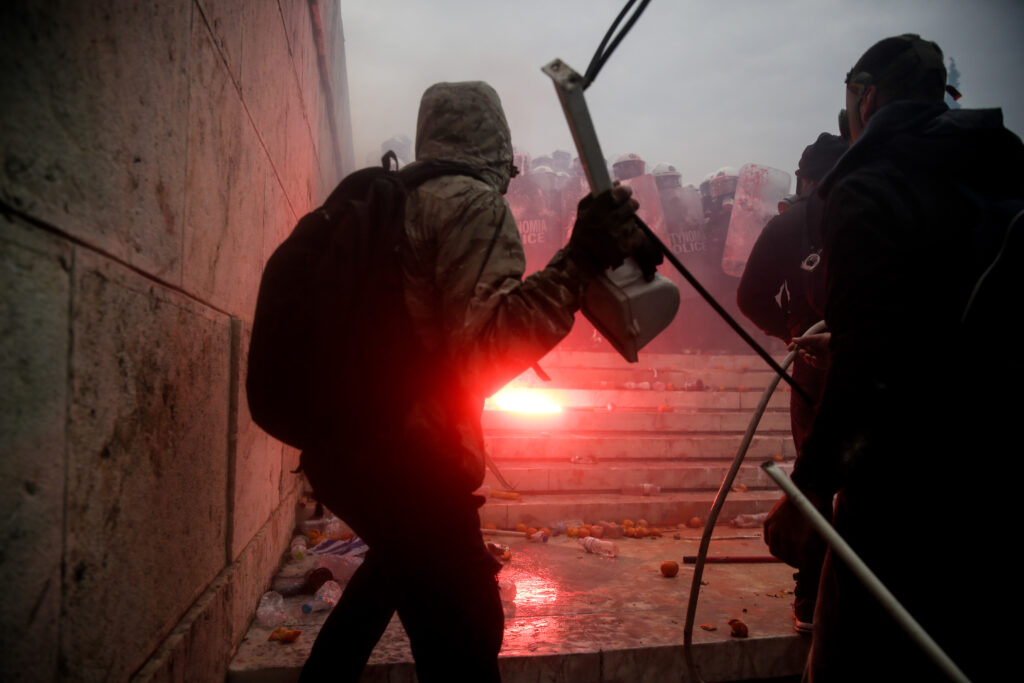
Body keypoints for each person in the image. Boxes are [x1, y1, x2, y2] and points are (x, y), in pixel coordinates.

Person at [297, 81, 656, 682]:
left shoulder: (397, 201)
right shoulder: (471, 202)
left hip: (344, 453)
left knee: (395, 571)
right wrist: (578, 263)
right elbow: (484, 352)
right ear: (499, 144)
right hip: (412, 462)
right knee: (466, 633)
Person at [779, 35, 1023, 681]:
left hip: (902, 487)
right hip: (995, 477)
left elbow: (870, 370)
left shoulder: (868, 186)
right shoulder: (1003, 169)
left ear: (866, 97)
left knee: (857, 662)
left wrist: (806, 494)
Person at [738, 132, 847, 633]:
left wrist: (790, 330)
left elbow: (750, 296)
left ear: (804, 177)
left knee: (815, 476)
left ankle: (811, 597)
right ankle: (834, 595)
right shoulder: (873, 209)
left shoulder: (790, 222)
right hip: (869, 364)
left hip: (820, 370)